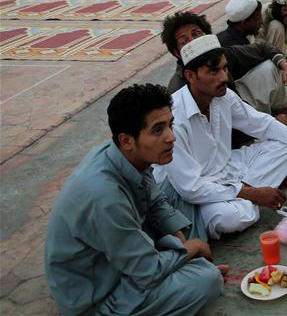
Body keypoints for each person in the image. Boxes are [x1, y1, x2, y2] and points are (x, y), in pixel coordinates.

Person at [46, 84, 224, 315]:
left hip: (124, 261)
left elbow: (157, 203)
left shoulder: (125, 154)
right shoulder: (104, 196)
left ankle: (177, 266)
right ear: (127, 140)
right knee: (207, 280)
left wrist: (183, 253)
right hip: (100, 296)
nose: (171, 137)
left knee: (177, 192)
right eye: (158, 130)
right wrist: (191, 249)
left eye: (170, 125)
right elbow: (148, 270)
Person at [155, 35, 287, 240]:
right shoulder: (175, 117)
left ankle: (249, 195)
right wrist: (252, 194)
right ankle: (252, 196)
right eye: (213, 71)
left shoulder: (223, 96)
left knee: (284, 147)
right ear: (190, 76)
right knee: (228, 217)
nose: (223, 77)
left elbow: (260, 123)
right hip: (195, 192)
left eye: (224, 68)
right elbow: (189, 188)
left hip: (227, 169)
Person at [162, 12, 287, 120]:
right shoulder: (178, 91)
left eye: (197, 34)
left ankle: (283, 111)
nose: (193, 42)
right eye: (184, 41)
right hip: (221, 140)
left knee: (270, 66)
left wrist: (286, 67)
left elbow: (262, 48)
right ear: (177, 53)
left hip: (238, 114)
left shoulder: (223, 56)